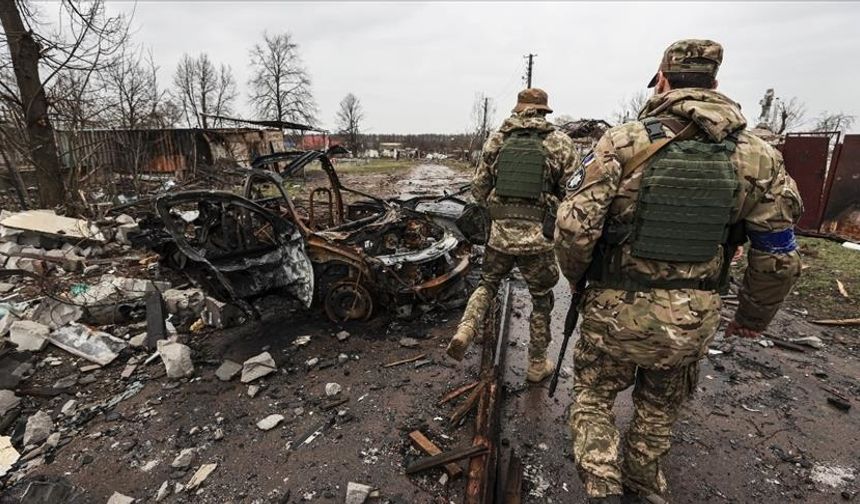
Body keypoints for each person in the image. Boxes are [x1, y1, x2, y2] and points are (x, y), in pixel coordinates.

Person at [555, 40, 802, 503]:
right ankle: (645, 481)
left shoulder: (623, 141)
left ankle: (601, 484)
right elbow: (778, 254)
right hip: (692, 317)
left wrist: (578, 279)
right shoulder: (758, 155)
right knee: (659, 406)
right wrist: (752, 317)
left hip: (614, 312)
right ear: (715, 82)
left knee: (592, 397)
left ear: (663, 80)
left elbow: (573, 228)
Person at [446, 88, 578, 383]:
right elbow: (573, 193)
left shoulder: (497, 140)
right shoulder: (559, 142)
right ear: (544, 112)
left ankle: (466, 329)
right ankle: (536, 363)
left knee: (487, 284)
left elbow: (478, 189)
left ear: (518, 110)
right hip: (539, 242)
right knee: (542, 299)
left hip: (499, 237)